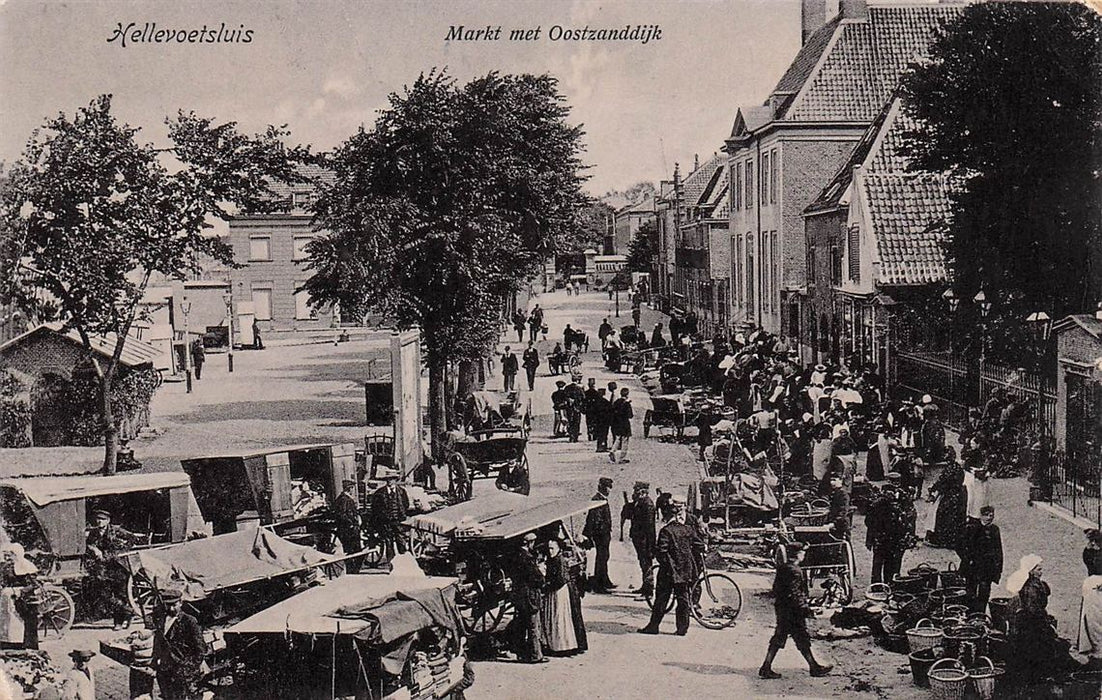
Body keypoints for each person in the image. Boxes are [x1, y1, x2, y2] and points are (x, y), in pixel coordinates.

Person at [758, 542, 833, 679]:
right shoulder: (795, 571)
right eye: (803, 552)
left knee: (782, 637)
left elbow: (776, 589)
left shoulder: (783, 568)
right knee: (800, 637)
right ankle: (813, 667)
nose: (804, 554)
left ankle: (766, 667)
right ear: (798, 554)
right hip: (792, 611)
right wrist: (805, 609)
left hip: (782, 608)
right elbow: (795, 594)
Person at [638, 497, 704, 636]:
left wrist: (663, 561)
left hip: (668, 572)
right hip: (685, 571)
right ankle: (682, 629)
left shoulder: (666, 531)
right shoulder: (688, 529)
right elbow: (700, 545)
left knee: (661, 599)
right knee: (683, 599)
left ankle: (653, 626)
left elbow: (661, 552)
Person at [1007, 555, 1071, 685]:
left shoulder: (1032, 585)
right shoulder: (1031, 588)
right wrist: (1046, 624)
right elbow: (1033, 611)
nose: (1041, 573)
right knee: (1040, 647)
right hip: (1031, 625)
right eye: (1038, 570)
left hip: (1030, 623)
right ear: (1031, 571)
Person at [85, 509, 139, 629]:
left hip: (119, 566)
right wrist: (94, 549)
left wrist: (121, 551)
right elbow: (88, 544)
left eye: (103, 519)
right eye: (98, 519)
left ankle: (120, 621)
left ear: (108, 521)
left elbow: (133, 538)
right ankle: (127, 614)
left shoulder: (116, 530)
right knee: (107, 595)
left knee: (121, 593)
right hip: (104, 567)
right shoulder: (94, 533)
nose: (99, 521)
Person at [152, 589, 205, 700]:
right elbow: (158, 642)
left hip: (182, 671)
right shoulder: (161, 620)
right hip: (164, 670)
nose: (171, 608)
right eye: (168, 605)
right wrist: (156, 661)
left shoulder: (189, 621)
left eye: (174, 605)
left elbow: (200, 649)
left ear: (180, 603)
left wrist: (188, 669)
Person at [541, 539, 585, 655]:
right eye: (549, 548)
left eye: (552, 548)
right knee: (555, 618)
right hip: (555, 591)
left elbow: (561, 579)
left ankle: (563, 646)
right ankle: (555, 644)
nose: (550, 551)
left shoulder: (559, 560)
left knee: (560, 618)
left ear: (558, 549)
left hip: (559, 592)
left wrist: (547, 586)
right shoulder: (552, 559)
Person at [958, 505, 1002, 614]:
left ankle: (980, 615)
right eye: (986, 515)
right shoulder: (972, 528)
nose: (989, 518)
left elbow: (998, 550)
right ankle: (970, 614)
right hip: (973, 566)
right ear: (981, 516)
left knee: (984, 592)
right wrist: (967, 559)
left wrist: (998, 568)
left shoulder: (995, 530)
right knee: (970, 592)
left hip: (987, 567)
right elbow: (959, 545)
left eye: (991, 516)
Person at [511, 532, 547, 663]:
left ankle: (520, 653)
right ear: (530, 543)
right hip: (529, 596)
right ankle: (535, 655)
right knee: (533, 626)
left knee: (521, 624)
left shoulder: (516, 556)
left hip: (519, 596)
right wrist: (542, 576)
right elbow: (537, 578)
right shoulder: (528, 559)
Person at [582, 477, 615, 593]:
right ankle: (599, 585)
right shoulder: (597, 500)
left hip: (604, 535)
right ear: (602, 487)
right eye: (608, 487)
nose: (610, 490)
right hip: (601, 535)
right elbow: (595, 520)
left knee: (605, 557)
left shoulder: (602, 498)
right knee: (601, 558)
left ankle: (605, 580)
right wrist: (601, 532)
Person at [926, 459, 967, 549]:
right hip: (959, 496)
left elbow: (943, 482)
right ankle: (955, 540)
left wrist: (934, 489)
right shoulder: (959, 470)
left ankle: (942, 540)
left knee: (943, 515)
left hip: (949, 496)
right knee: (956, 517)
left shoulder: (949, 470)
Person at [1077, 529, 1102, 668]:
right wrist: (1088, 550)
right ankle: (1094, 647)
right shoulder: (1090, 552)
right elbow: (1088, 564)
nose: (1091, 544)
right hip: (1092, 587)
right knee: (1091, 619)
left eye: (1093, 541)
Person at [629, 482, 656, 598]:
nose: (634, 492)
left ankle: (648, 591)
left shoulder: (648, 504)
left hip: (645, 541)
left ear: (642, 491)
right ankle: (644, 586)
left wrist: (651, 545)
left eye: (636, 490)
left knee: (647, 564)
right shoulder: (640, 502)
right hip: (640, 540)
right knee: (643, 563)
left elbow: (649, 527)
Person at [370, 479, 409, 559]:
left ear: (395, 480)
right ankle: (391, 562)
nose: (390, 481)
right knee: (388, 543)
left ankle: (403, 562)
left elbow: (406, 504)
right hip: (386, 522)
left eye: (392, 479)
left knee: (401, 541)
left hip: (398, 521)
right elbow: (375, 507)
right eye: (388, 479)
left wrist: (401, 514)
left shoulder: (402, 491)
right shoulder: (379, 492)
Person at [334, 479, 363, 573]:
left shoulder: (343, 498)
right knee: (353, 550)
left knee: (353, 550)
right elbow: (342, 515)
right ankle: (352, 570)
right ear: (349, 489)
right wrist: (351, 523)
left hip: (349, 528)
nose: (353, 490)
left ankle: (353, 569)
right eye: (352, 488)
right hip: (348, 529)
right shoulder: (344, 500)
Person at [609, 388, 633, 464]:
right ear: (627, 394)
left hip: (617, 423)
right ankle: (622, 458)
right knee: (625, 440)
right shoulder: (627, 403)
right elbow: (630, 415)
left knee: (618, 438)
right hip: (625, 423)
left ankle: (612, 451)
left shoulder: (616, 402)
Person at [591, 388, 612, 452]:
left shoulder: (595, 402)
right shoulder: (605, 401)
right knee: (604, 434)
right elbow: (610, 410)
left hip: (597, 420)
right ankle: (603, 446)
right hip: (604, 421)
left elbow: (592, 411)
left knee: (599, 434)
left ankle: (599, 446)